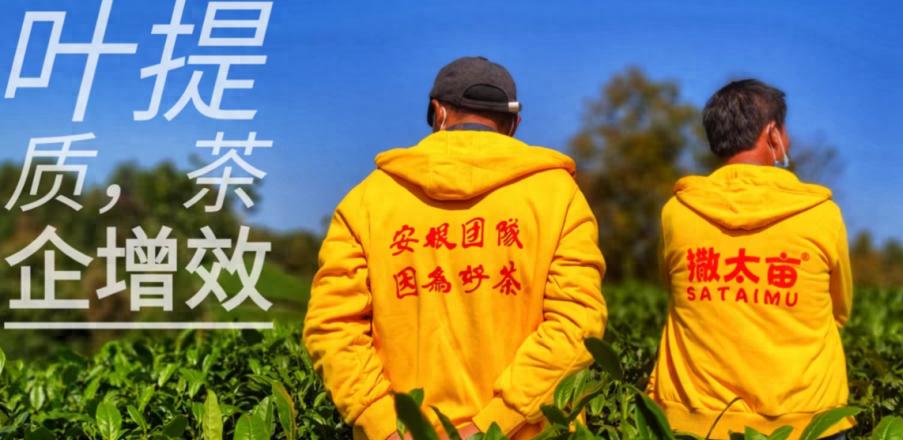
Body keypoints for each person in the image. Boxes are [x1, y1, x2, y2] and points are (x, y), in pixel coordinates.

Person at [303, 56, 607, 440]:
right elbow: (577, 325)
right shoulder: (559, 197)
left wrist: (385, 427)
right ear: (514, 124)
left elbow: (332, 327)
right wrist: (490, 425)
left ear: (438, 112)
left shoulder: (366, 200)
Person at [647, 79, 854, 439]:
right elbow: (839, 310)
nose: (788, 141)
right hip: (810, 421)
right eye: (785, 132)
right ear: (772, 133)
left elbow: (676, 296)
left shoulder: (677, 213)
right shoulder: (822, 215)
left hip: (695, 420)